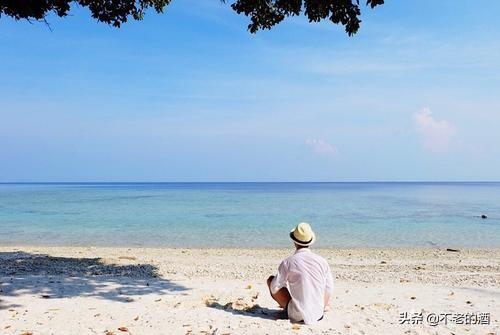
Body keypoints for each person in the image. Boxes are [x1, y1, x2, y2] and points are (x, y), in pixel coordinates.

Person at [266, 222, 333, 324]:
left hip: (297, 315)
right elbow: (329, 288)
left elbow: (274, 287)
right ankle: (312, 308)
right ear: (310, 242)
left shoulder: (288, 262)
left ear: (294, 242)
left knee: (271, 280)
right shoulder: (322, 261)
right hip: (318, 314)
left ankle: (291, 308)